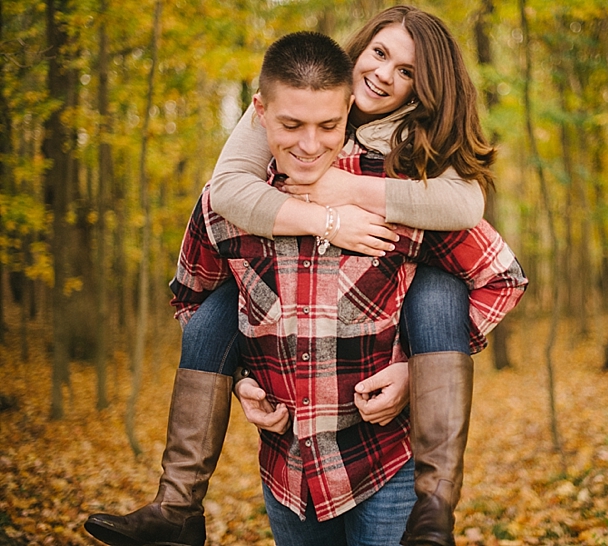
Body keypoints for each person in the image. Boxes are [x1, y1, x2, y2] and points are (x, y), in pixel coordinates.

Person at [84, 6, 501, 546]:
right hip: (291, 466)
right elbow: (215, 227)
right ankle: (178, 505)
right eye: (379, 54)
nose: (384, 75)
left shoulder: (408, 172)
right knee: (218, 303)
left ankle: (437, 501)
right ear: (266, 114)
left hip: (382, 455)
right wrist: (242, 377)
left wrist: (414, 371)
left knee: (439, 290)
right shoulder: (267, 137)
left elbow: (486, 247)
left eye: (407, 72)